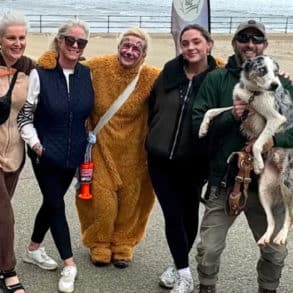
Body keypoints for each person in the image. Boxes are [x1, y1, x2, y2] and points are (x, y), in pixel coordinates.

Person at [192, 20, 293, 293]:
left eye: (257, 39)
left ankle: (268, 289)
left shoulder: (281, 82)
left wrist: (274, 140)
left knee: (275, 252)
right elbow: (196, 123)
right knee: (208, 249)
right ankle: (207, 287)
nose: (250, 44)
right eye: (244, 38)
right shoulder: (217, 79)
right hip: (226, 180)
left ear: (265, 45)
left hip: (269, 181)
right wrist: (230, 117)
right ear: (235, 43)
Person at [145, 24, 225, 293]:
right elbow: (153, 106)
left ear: (208, 45)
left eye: (196, 42)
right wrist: (154, 135)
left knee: (189, 213)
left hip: (194, 161)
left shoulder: (218, 78)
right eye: (185, 43)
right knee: (172, 214)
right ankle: (184, 273)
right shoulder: (169, 71)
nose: (190, 47)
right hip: (159, 157)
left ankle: (177, 266)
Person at [17, 19, 94, 293]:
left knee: (52, 203)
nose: (74, 46)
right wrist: (37, 146)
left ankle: (33, 249)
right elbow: (24, 116)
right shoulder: (42, 73)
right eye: (69, 40)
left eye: (81, 42)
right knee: (57, 206)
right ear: (59, 41)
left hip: (73, 156)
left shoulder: (88, 74)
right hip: (45, 155)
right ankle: (69, 264)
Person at [0, 11, 35, 293]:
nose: (17, 42)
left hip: (15, 154)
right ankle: (8, 271)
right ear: (0, 40)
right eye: (11, 37)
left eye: (21, 37)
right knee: (4, 215)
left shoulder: (29, 68)